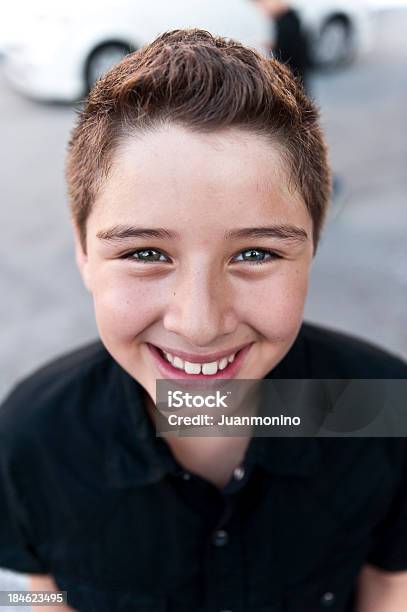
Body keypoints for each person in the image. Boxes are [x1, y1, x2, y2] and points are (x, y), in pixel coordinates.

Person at [0, 28, 407, 612]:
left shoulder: (375, 407)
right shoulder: (32, 438)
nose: (199, 323)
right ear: (84, 251)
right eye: (145, 253)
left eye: (255, 254)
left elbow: (390, 583)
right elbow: (42, 594)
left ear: (313, 245)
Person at [252, 0, 312, 95]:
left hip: (294, 74)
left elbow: (291, 51)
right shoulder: (285, 19)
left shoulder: (289, 21)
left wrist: (276, 48)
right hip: (293, 75)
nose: (263, 9)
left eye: (264, 4)